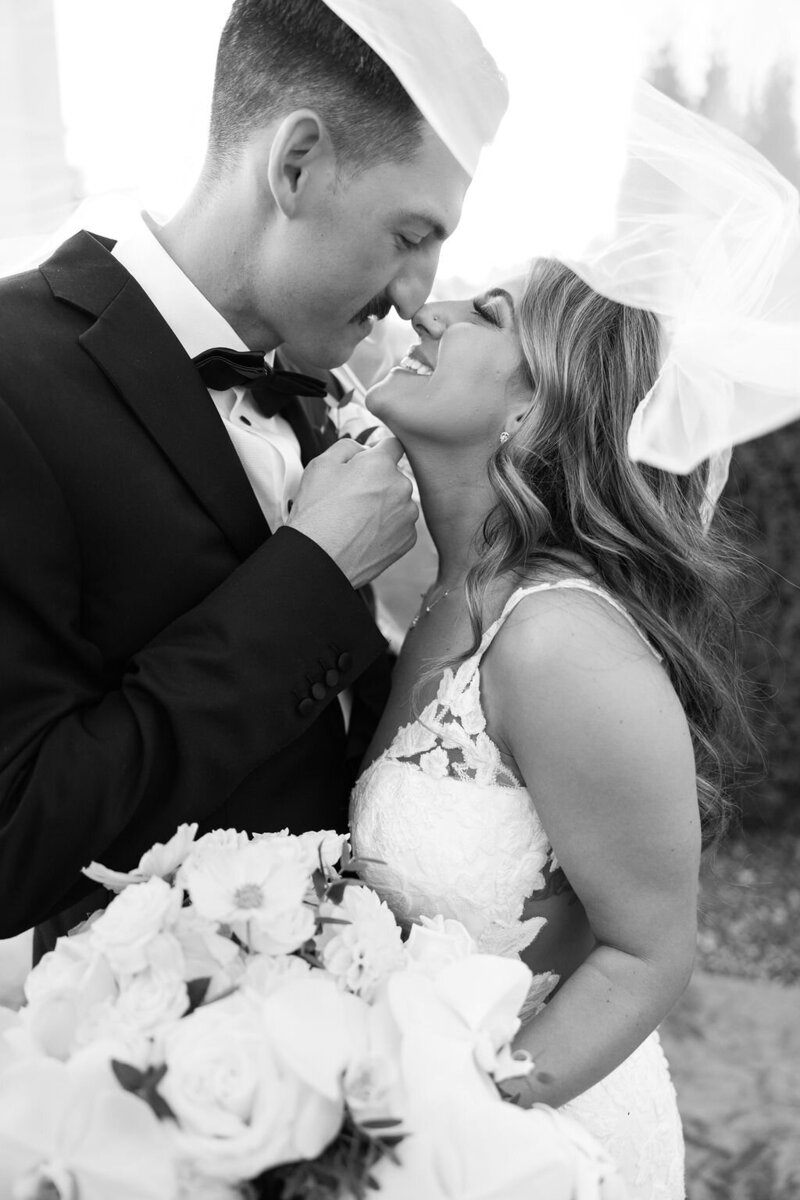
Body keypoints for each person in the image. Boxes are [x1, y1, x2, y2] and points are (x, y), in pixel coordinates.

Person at [0, 0, 507, 955]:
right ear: (297, 163)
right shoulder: (12, 378)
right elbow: (13, 831)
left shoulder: (322, 397)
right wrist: (312, 569)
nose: (415, 293)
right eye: (409, 235)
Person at [349, 258, 757, 1198]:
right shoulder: (446, 599)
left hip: (524, 1145)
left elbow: (650, 952)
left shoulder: (558, 643)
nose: (431, 308)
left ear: (545, 405)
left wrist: (444, 1131)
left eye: (487, 312)